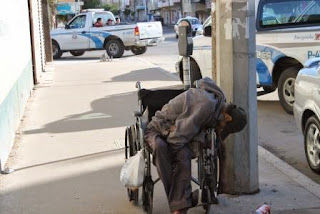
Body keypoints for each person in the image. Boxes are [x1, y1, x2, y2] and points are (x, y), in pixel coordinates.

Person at [144, 77, 247, 214]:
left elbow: (181, 135)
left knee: (184, 156)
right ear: (227, 118)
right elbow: (179, 137)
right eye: (224, 127)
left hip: (176, 133)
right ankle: (181, 203)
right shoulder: (206, 105)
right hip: (158, 129)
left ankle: (180, 205)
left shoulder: (216, 105)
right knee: (162, 150)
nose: (221, 129)